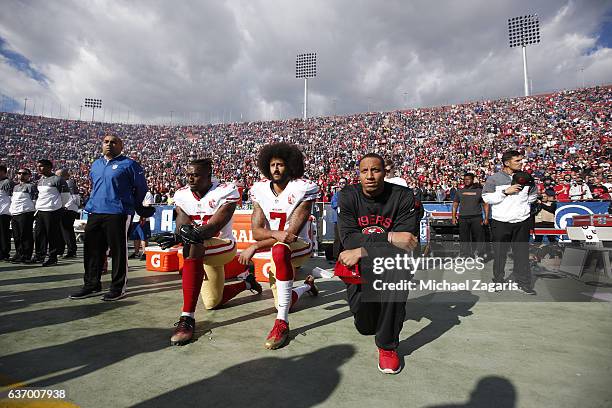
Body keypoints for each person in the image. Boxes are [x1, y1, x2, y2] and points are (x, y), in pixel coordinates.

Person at [151, 159, 262, 346]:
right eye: (188, 175)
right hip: (201, 248)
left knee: (192, 245)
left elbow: (213, 227)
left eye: (196, 175)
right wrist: (179, 235)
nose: (190, 179)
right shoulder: (182, 195)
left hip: (223, 245)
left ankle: (187, 318)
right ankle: (246, 283)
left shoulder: (226, 190)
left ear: (208, 176)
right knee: (212, 302)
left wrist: (182, 237)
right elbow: (182, 225)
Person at [336, 153, 419, 374]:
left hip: (388, 261)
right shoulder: (348, 196)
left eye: (376, 170)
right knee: (365, 326)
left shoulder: (403, 196)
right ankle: (377, 318)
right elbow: (349, 239)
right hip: (360, 265)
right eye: (365, 171)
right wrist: (390, 237)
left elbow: (407, 241)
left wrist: (362, 249)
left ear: (385, 172)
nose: (370, 176)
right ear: (359, 174)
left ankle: (388, 346)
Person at [238, 142, 319, 350]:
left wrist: (255, 247)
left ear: (290, 166)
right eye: (272, 164)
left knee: (281, 248)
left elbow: (291, 235)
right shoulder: (259, 189)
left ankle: (281, 322)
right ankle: (307, 286)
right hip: (276, 243)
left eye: (281, 164)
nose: (275, 169)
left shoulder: (303, 188)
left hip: (300, 245)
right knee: (282, 300)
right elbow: (257, 231)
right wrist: (273, 233)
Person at [69, 135, 147, 301]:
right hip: (95, 211)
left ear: (121, 145)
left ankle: (118, 288)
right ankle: (91, 285)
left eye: (113, 142)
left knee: (118, 252)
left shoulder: (130, 164)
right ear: (101, 144)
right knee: (92, 251)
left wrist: (130, 205)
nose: (109, 144)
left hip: (118, 213)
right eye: (106, 142)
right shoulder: (96, 164)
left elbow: (141, 188)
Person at [482, 150, 538, 295]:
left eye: (521, 160)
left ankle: (524, 283)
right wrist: (505, 192)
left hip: (522, 222)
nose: (521, 163)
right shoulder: (494, 179)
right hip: (501, 222)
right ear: (507, 163)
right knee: (500, 255)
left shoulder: (527, 177)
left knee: (522, 254)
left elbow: (533, 196)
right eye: (517, 161)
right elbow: (487, 198)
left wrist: (522, 208)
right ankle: (498, 281)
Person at [34, 160, 70, 267]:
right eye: (38, 166)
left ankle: (52, 257)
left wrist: (58, 206)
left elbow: (65, 196)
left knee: (52, 235)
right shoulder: (40, 181)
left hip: (52, 211)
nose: (39, 168)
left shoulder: (58, 179)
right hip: (40, 210)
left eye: (41, 166)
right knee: (39, 234)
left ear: (49, 167)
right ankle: (39, 255)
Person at [452, 173, 490, 258]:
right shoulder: (459, 191)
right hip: (463, 218)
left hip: (477, 217)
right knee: (464, 238)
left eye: (468, 179)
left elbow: (486, 205)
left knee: (479, 237)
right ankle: (465, 255)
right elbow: (455, 204)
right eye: (465, 179)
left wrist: (486, 217)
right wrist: (453, 217)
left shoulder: (479, 191)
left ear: (473, 180)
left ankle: (480, 255)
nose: (466, 181)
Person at [9, 169, 37, 263]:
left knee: (25, 235)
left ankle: (26, 255)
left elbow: (35, 200)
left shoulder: (31, 186)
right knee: (17, 236)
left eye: (24, 174)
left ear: (29, 175)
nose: (21, 175)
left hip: (25, 213)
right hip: (15, 213)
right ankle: (19, 253)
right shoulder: (15, 187)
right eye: (19, 173)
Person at [56, 169, 80, 259]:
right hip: (64, 208)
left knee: (67, 230)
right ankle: (60, 250)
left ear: (63, 175)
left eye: (57, 176)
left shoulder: (69, 182)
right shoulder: (62, 183)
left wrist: (65, 206)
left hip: (68, 209)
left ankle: (71, 251)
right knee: (62, 230)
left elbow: (74, 197)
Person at [128, 189, 155, 260]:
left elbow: (148, 206)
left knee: (144, 237)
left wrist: (143, 216)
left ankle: (145, 253)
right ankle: (136, 253)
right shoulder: (134, 193)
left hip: (143, 218)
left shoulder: (147, 194)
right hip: (135, 218)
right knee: (136, 237)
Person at [330, 177, 347, 260]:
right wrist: (342, 202)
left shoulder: (350, 194)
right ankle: (335, 257)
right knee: (337, 239)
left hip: (347, 221)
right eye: (340, 183)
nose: (342, 184)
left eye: (343, 183)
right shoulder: (336, 195)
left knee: (347, 238)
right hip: (338, 220)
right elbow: (333, 204)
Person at [0, 165, 14, 261]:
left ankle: (5, 253)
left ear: (4, 172)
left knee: (4, 234)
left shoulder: (7, 182)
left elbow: (12, 198)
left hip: (4, 212)